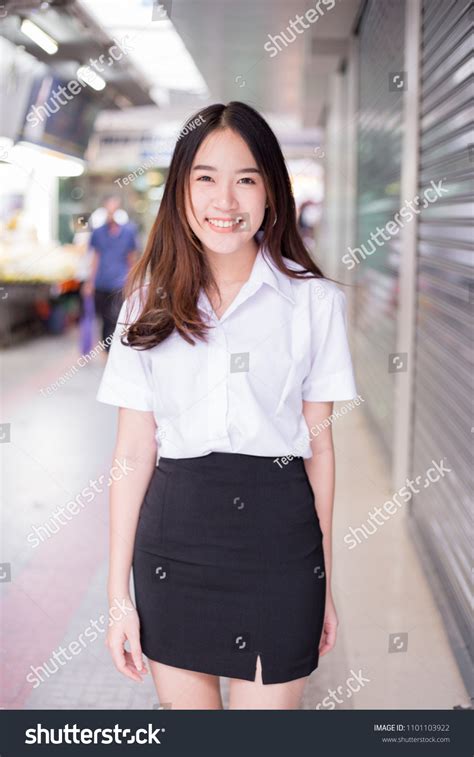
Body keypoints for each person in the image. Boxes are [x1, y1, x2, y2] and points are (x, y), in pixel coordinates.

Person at [96, 102, 357, 710]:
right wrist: (118, 597)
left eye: (246, 179)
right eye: (206, 178)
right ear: (181, 190)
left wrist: (323, 582)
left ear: (271, 192)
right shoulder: (146, 302)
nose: (226, 200)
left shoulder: (313, 303)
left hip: (281, 544)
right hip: (174, 544)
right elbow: (133, 454)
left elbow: (319, 447)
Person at [83, 195, 138, 351]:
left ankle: (116, 349)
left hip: (120, 282)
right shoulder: (98, 233)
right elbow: (95, 257)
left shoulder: (128, 232)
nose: (112, 213)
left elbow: (131, 258)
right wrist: (90, 282)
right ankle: (106, 349)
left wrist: (133, 280)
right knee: (104, 319)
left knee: (116, 317)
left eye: (115, 208)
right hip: (101, 282)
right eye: (109, 209)